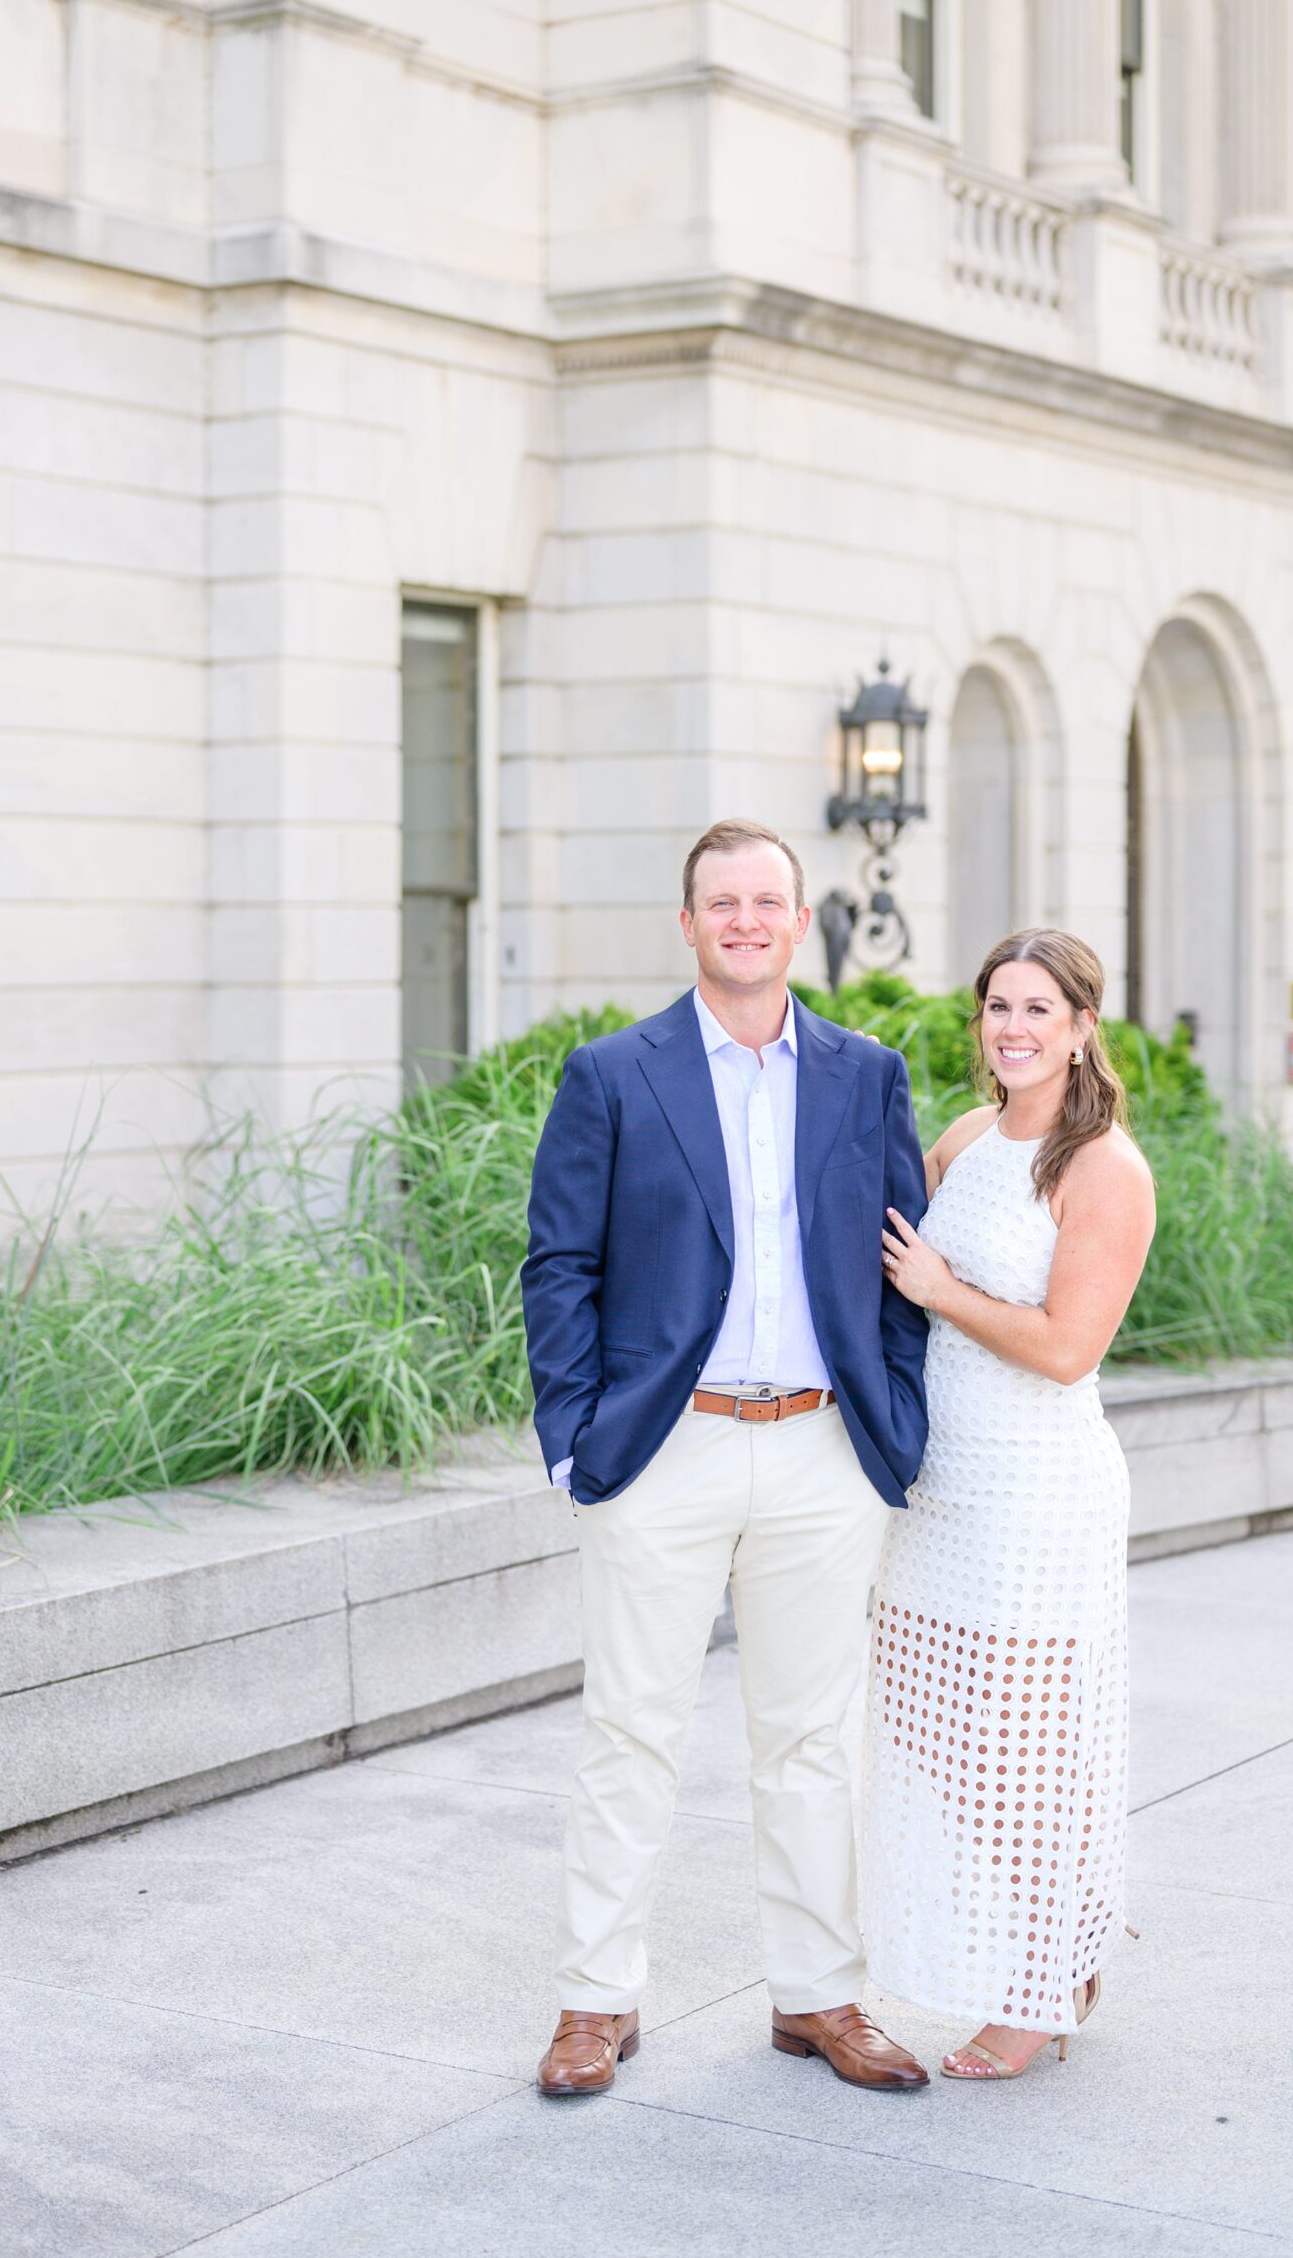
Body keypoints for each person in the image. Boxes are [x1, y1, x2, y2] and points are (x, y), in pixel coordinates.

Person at [520, 819, 932, 2098]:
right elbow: (558, 1266)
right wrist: (575, 1443)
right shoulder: (611, 1073)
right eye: (721, 902)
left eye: (766, 901)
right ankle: (597, 2001)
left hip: (819, 1449)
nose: (745, 920)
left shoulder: (864, 1074)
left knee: (811, 1742)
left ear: (797, 923)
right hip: (663, 1450)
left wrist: (893, 1425)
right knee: (627, 1733)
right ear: (686, 924)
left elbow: (901, 1260)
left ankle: (818, 1997)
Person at [869, 929, 1156, 2080]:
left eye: (1040, 1008)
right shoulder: (964, 1139)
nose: (1015, 1028)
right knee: (942, 1740)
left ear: (1082, 1027)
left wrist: (946, 1289)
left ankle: (1034, 1988)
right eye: (998, 1006)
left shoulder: (1102, 1169)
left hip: (1036, 1490)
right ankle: (1064, 1940)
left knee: (1021, 1741)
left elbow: (1065, 1347)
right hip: (940, 1488)